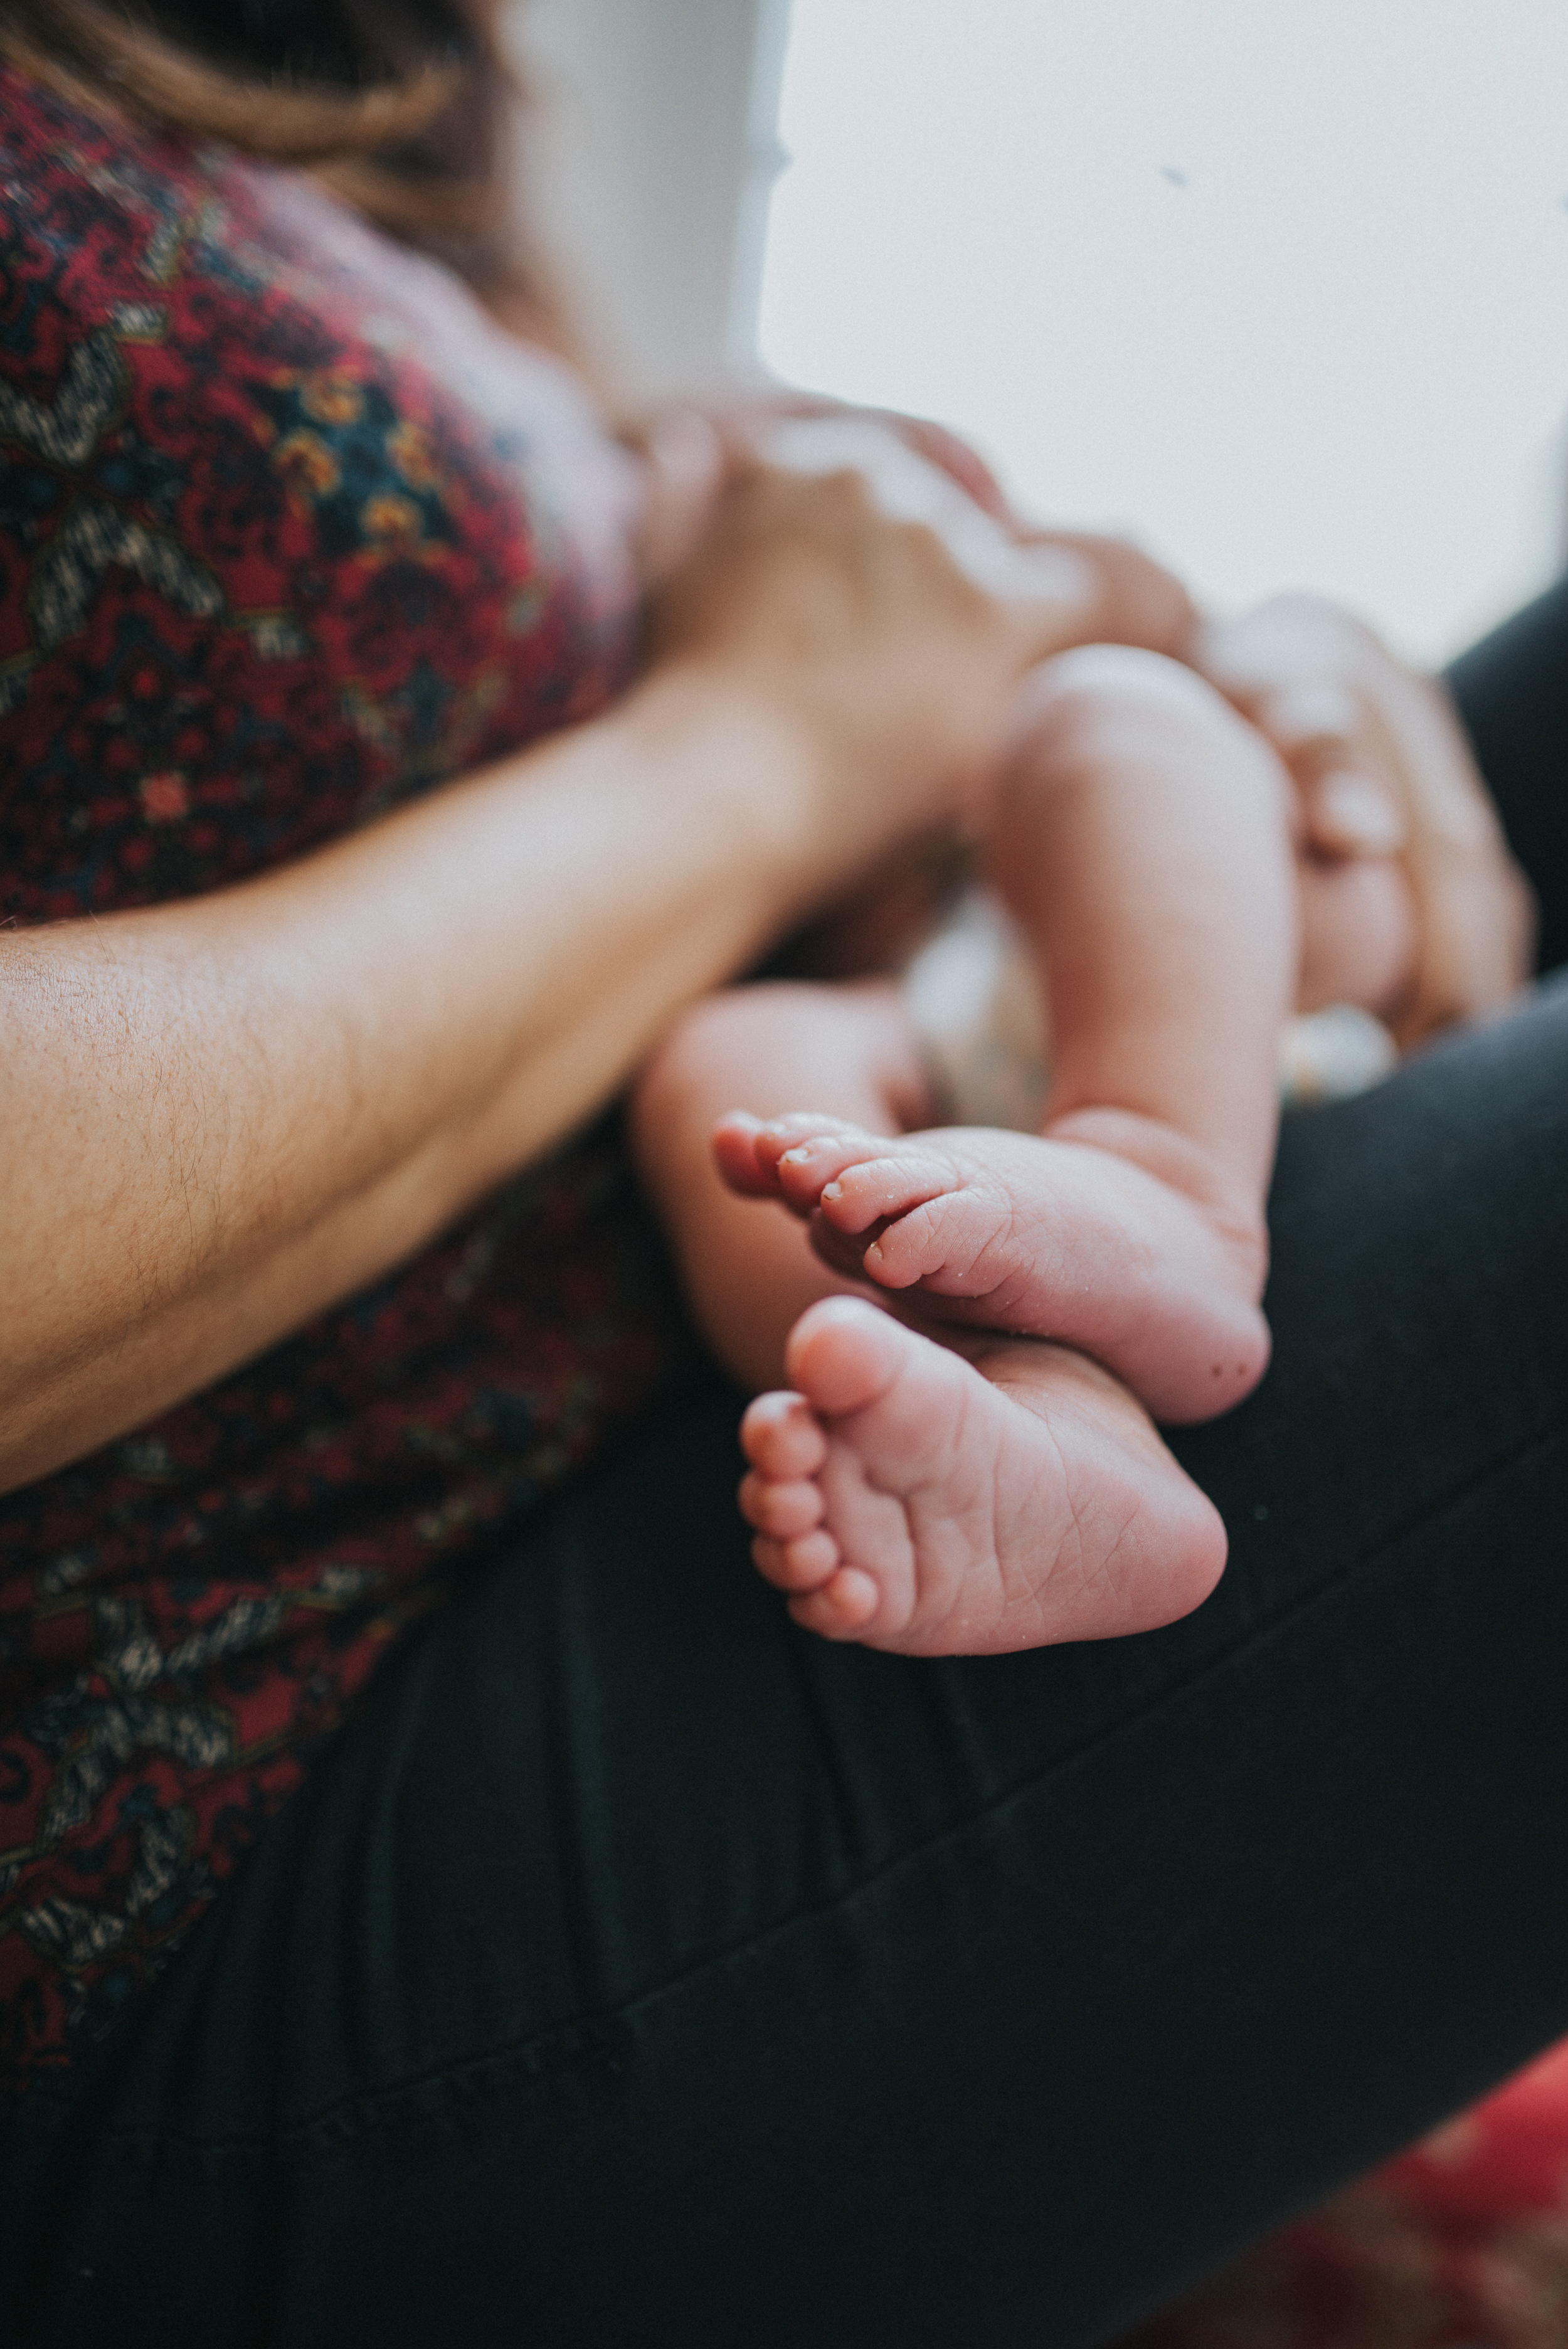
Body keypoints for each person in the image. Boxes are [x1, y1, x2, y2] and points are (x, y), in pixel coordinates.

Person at [0, 5, 1560, 2346]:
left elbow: (1019, 621)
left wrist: (1295, 672)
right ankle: (1063, 1361)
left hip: (1016, 962)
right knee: (747, 1107)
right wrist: (763, 738)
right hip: (236, 1842)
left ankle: (1154, 1183)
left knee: (1116, 746)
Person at [632, 628, 1422, 1655]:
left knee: (1112, 707)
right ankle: (1013, 1408)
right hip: (925, 1037)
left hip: (1207, 958)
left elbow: (1127, 600)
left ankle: (1165, 1175)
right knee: (720, 1070)